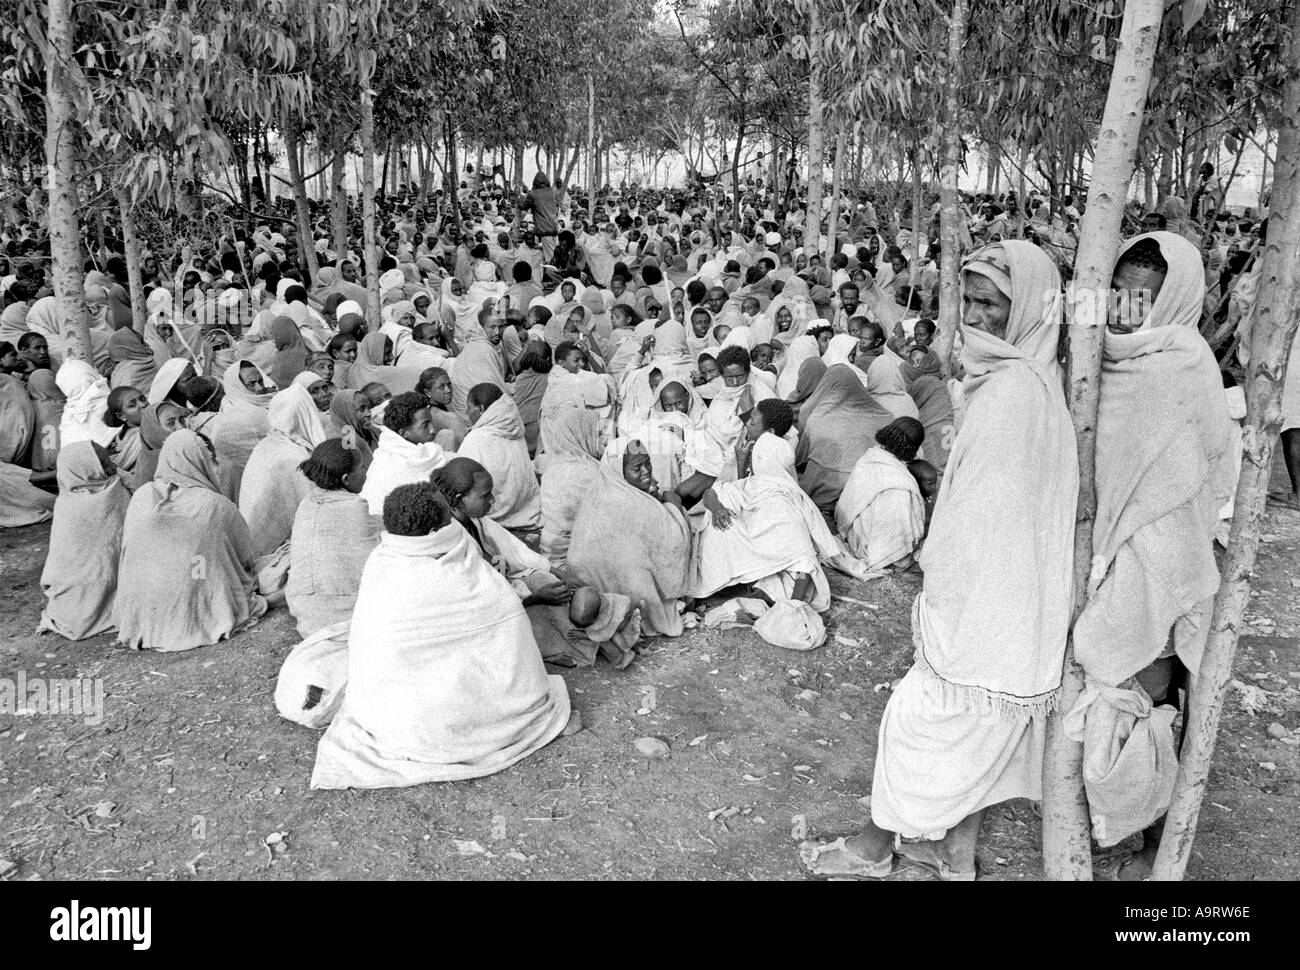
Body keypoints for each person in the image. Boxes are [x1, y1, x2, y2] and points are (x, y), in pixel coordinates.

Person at [802, 241, 1078, 880]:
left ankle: (873, 848)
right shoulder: (1027, 380)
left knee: (918, 718)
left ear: (1028, 311)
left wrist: (941, 576)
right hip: (1013, 599)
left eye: (992, 304)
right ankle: (954, 856)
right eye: (971, 300)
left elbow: (982, 510)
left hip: (986, 598)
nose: (976, 316)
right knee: (975, 729)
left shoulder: (1014, 393)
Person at [1072, 232, 1235, 879]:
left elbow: (1204, 476)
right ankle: (1112, 831)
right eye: (1118, 293)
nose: (1124, 311)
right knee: (1106, 714)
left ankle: (1139, 840)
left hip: (1159, 570)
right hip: (1102, 563)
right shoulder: (1096, 361)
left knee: (1144, 712)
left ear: (1173, 300)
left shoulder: (1186, 366)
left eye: (1143, 298)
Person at [310, 481, 572, 789]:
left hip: (392, 723)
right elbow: (510, 640)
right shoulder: (466, 577)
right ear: (437, 531)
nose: (454, 524)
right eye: (449, 518)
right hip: (443, 723)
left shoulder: (381, 563)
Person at [114, 430, 268, 652]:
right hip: (194, 614)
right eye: (212, 459)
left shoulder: (142, 495)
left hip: (140, 618)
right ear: (202, 462)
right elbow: (247, 558)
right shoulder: (216, 504)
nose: (216, 465)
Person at [692, 400, 839, 609]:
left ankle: (739, 583)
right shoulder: (759, 452)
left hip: (769, 520)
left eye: (752, 422)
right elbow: (730, 489)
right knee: (721, 519)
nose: (747, 425)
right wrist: (719, 506)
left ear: (769, 431)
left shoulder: (774, 456)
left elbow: (803, 559)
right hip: (753, 507)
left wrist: (794, 609)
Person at [567, 437, 691, 636]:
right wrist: (672, 503)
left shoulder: (600, 489)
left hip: (588, 579)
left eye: (648, 463)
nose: (646, 472)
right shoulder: (632, 502)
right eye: (637, 468)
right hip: (624, 581)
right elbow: (674, 541)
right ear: (619, 470)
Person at [286, 439, 381, 638]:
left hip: (305, 613)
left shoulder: (307, 502)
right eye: (362, 468)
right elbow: (376, 560)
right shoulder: (355, 507)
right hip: (344, 618)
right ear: (346, 479)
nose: (367, 472)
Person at [38, 440, 130, 640]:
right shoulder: (112, 490)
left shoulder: (65, 501)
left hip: (69, 589)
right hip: (99, 582)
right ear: (87, 470)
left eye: (109, 461)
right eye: (104, 465)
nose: (113, 467)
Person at [239, 375, 327, 560]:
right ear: (305, 415)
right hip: (273, 548)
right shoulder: (296, 458)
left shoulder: (266, 445)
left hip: (251, 543)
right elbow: (313, 513)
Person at [796, 364, 894, 512]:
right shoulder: (880, 416)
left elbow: (801, 459)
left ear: (825, 386)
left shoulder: (816, 419)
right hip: (861, 498)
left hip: (819, 497)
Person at [835, 418, 927, 575]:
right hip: (875, 552)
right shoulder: (900, 484)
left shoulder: (870, 458)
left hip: (853, 537)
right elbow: (895, 539)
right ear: (914, 448)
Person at [458, 383, 540, 532]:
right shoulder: (515, 429)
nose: (467, 412)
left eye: (469, 407)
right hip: (525, 507)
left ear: (482, 409)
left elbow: (460, 482)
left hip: (494, 510)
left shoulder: (475, 438)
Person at [359, 390, 453, 516]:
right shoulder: (389, 464)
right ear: (403, 433)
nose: (432, 430)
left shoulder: (428, 451)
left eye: (431, 422)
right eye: (425, 425)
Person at [538, 406, 604, 565]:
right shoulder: (587, 473)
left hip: (551, 552)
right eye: (598, 434)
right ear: (582, 435)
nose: (603, 440)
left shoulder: (552, 465)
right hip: (574, 557)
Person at [209, 359, 276, 501]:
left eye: (260, 381)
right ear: (237, 386)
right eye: (251, 384)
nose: (259, 388)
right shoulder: (244, 414)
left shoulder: (232, 402)